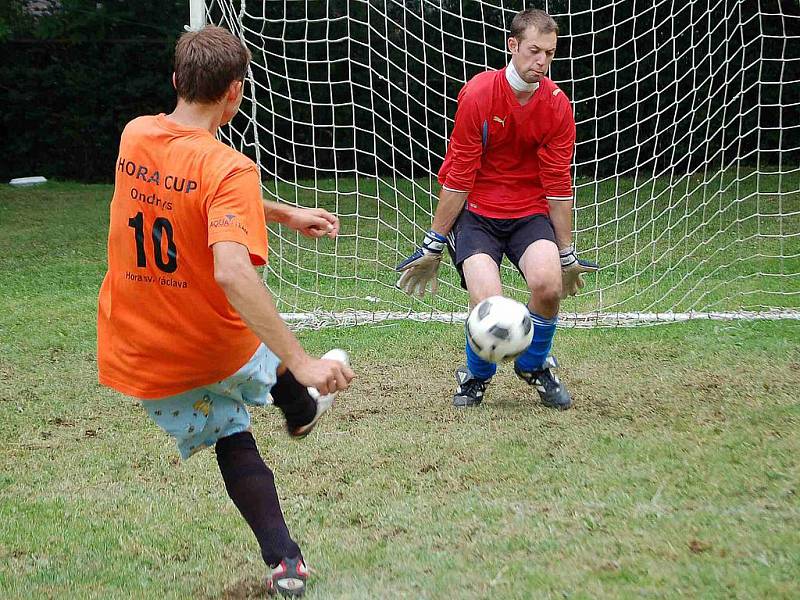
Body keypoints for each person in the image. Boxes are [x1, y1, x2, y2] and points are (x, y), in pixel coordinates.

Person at [97, 26, 354, 597]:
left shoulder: (135, 135)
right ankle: (301, 398)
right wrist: (305, 360)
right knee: (255, 338)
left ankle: (286, 561)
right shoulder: (230, 168)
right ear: (235, 94)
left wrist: (280, 213)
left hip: (141, 353)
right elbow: (234, 272)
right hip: (208, 345)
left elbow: (187, 186)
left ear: (175, 81)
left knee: (232, 433)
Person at [396, 9, 597, 409]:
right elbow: (459, 174)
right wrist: (434, 242)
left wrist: (567, 251)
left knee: (548, 286)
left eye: (550, 53)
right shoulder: (479, 94)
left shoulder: (557, 106)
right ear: (513, 46)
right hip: (478, 215)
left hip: (528, 212)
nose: (541, 61)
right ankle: (475, 376)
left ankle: (535, 366)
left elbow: (557, 184)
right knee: (488, 303)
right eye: (534, 51)